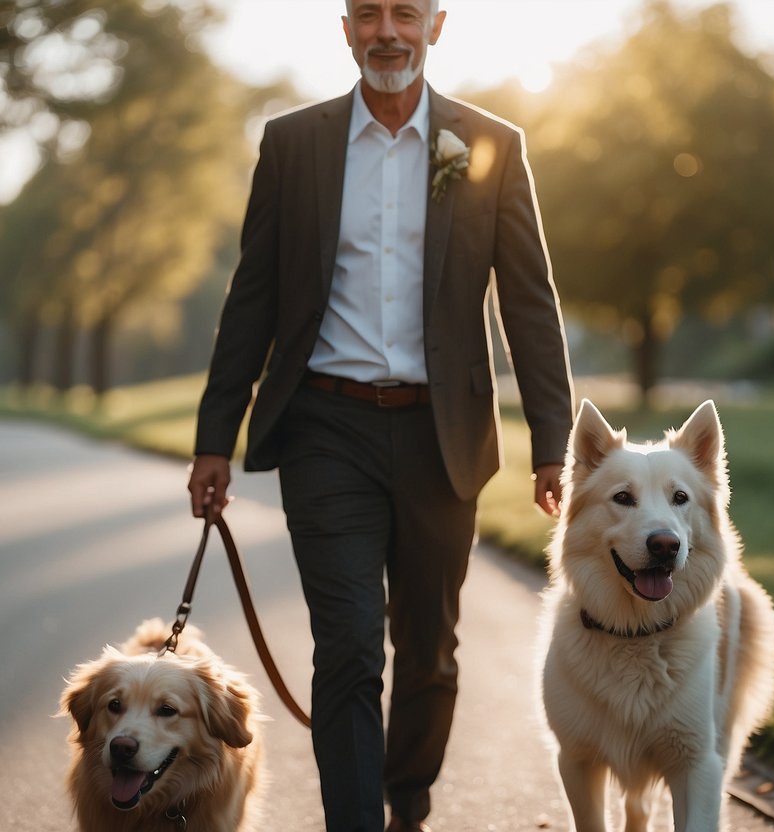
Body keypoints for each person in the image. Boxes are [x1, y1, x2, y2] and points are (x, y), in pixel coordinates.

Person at [187, 1, 574, 829]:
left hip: (446, 436)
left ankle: (407, 793)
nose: (387, 31)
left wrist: (552, 441)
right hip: (325, 427)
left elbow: (529, 303)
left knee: (429, 653)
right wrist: (213, 439)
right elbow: (250, 299)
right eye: (370, 14)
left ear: (436, 25)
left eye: (405, 12)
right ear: (346, 27)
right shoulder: (294, 144)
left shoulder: (489, 144)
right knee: (351, 647)